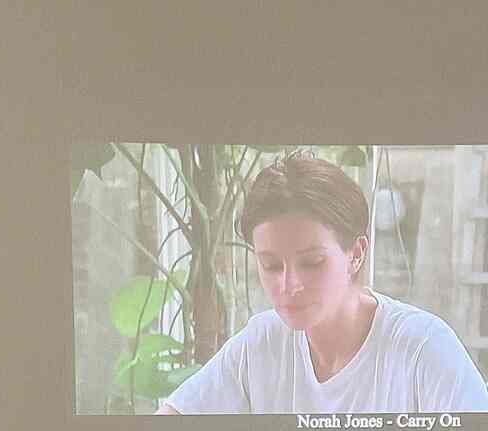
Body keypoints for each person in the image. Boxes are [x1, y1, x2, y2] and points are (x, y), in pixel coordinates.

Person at [155, 150, 488, 415]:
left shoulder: (423, 348)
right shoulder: (263, 343)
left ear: (356, 253)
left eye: (312, 262)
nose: (289, 284)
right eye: (270, 265)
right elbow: (172, 425)